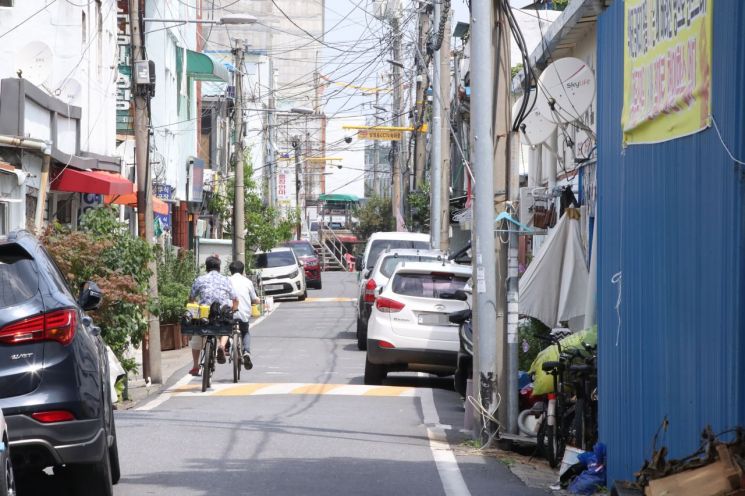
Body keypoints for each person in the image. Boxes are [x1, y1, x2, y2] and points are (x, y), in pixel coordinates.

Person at [188, 256, 238, 376]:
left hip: (204, 314)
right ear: (219, 268)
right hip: (221, 313)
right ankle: (222, 345)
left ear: (207, 268)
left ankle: (195, 366)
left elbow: (191, 298)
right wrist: (233, 309)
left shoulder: (200, 279)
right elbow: (235, 298)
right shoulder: (226, 280)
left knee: (197, 335)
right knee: (226, 326)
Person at [228, 260, 260, 370]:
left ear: (230, 271)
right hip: (243, 315)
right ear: (242, 271)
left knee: (225, 329)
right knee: (245, 332)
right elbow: (254, 299)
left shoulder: (226, 280)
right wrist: (258, 301)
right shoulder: (247, 282)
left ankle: (227, 347)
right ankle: (246, 352)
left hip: (229, 313)